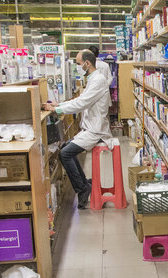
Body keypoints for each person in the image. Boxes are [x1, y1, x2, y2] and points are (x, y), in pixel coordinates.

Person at [42, 49, 113, 209]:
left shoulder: (98, 80)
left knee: (65, 154)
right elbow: (81, 99)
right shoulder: (94, 78)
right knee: (66, 148)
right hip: (89, 128)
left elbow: (82, 104)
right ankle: (85, 185)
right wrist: (58, 105)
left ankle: (82, 189)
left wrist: (57, 110)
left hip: (96, 130)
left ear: (87, 63)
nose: (78, 67)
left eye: (79, 64)